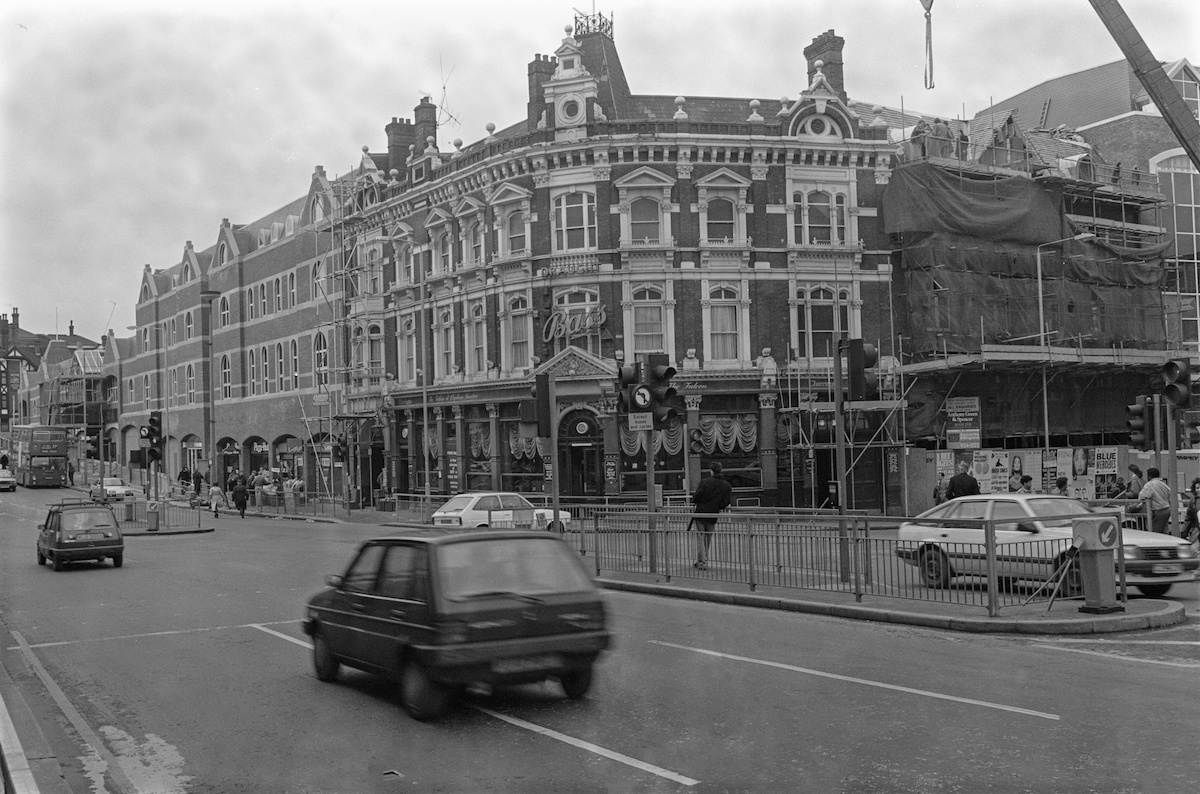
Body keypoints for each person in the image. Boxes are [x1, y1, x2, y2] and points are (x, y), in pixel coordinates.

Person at [690, 463, 732, 570]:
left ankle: (701, 561)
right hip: (713, 514)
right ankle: (704, 559)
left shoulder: (705, 482)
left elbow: (696, 497)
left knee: (700, 537)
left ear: (711, 471)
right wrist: (717, 506)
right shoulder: (726, 485)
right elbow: (725, 502)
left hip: (700, 513)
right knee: (708, 538)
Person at [1138, 467, 1172, 534]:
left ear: (1150, 476)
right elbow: (1169, 494)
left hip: (1158, 510)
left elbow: (1142, 496)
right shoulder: (1163, 484)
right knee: (1165, 530)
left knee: (1155, 532)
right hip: (1167, 509)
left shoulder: (1149, 485)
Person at [1184, 478, 1200, 544]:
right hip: (1197, 530)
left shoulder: (1193, 501)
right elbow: (1189, 518)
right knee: (1194, 550)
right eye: (1197, 488)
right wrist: (1185, 531)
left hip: (1196, 530)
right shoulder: (1193, 501)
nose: (1198, 490)